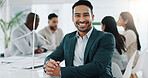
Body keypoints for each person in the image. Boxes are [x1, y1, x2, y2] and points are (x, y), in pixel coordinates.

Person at [44, 0, 115, 78]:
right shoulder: (68, 38)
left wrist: (61, 71)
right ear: (73, 18)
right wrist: (48, 65)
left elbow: (97, 67)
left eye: (86, 15)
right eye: (77, 15)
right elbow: (51, 57)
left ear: (93, 17)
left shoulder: (106, 38)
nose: (82, 19)